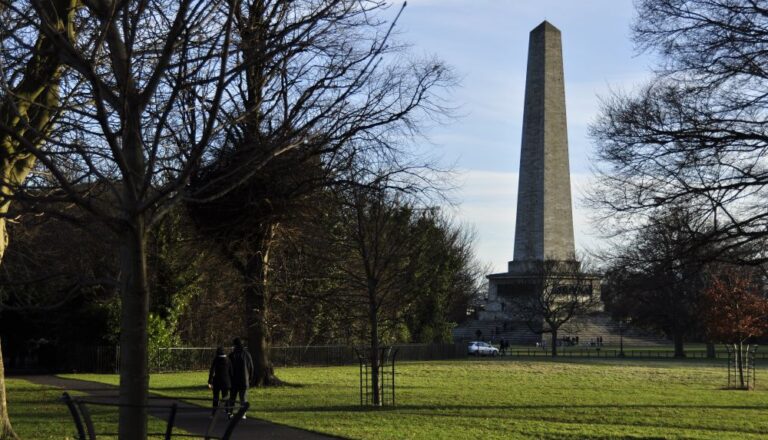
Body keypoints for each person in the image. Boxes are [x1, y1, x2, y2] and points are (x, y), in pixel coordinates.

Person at [228, 337, 254, 419]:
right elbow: (251, 367)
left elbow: (229, 368)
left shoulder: (232, 355)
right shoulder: (247, 354)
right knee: (243, 398)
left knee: (232, 397)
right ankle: (243, 413)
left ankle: (230, 412)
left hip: (234, 380)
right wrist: (250, 378)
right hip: (244, 379)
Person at [207, 346, 232, 417]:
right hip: (226, 381)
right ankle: (228, 412)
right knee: (225, 397)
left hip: (217, 381)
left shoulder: (216, 359)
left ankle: (214, 413)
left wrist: (210, 381)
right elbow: (231, 371)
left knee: (216, 398)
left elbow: (212, 371)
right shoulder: (228, 360)